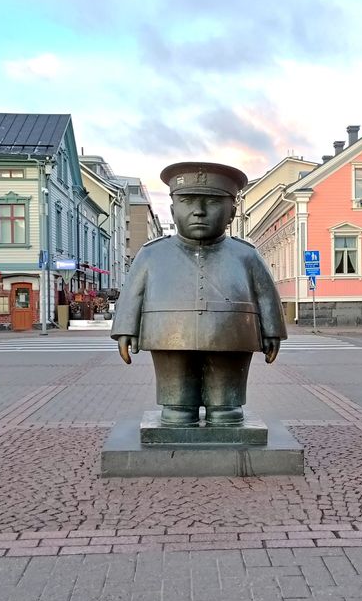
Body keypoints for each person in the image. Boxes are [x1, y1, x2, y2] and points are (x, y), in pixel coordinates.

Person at [111, 161, 287, 426]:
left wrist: (272, 330)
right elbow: (133, 293)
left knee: (225, 408)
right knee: (177, 407)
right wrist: (125, 328)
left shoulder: (246, 255)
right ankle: (178, 406)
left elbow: (266, 293)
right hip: (168, 333)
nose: (199, 212)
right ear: (172, 209)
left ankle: (225, 405)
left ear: (232, 212)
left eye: (213, 202)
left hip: (231, 334)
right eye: (188, 202)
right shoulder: (151, 254)